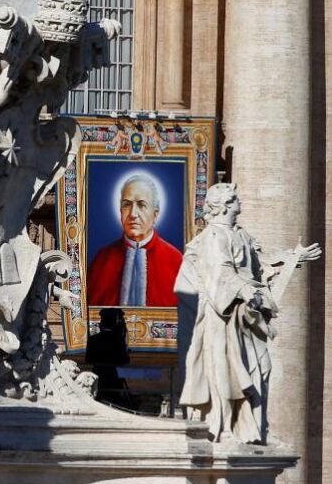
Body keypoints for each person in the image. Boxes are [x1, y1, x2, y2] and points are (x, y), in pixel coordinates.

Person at [177, 183, 320, 443]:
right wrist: (246, 290)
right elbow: (220, 273)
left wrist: (293, 258)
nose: (239, 202)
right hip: (224, 317)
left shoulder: (240, 234)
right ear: (223, 206)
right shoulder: (213, 236)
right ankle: (228, 430)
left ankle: (255, 429)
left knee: (262, 367)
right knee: (226, 371)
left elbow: (261, 263)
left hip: (247, 316)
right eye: (234, 199)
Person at [85, 174, 182, 306]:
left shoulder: (176, 260)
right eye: (127, 204)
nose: (132, 214)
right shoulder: (102, 260)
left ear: (155, 214)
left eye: (141, 205)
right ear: (120, 211)